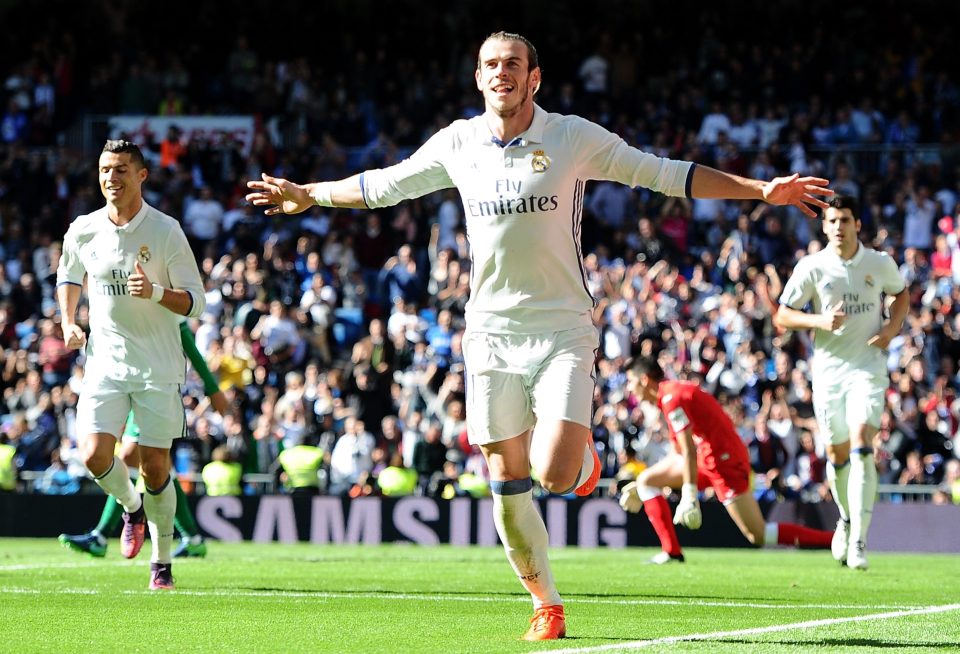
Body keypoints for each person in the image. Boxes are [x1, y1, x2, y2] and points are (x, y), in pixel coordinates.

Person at [245, 31, 832, 640]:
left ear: (534, 78)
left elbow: (662, 174)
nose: (502, 73)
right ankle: (546, 604)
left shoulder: (572, 137)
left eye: (513, 65)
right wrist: (309, 195)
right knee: (506, 482)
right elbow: (383, 185)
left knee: (554, 475)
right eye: (490, 65)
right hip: (490, 333)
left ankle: (579, 467)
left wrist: (761, 190)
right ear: (478, 78)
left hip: (562, 329)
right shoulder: (458, 142)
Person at [56, 139, 206, 591]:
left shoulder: (165, 231)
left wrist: (156, 292)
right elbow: (68, 274)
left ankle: (161, 562)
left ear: (142, 175)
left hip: (158, 367)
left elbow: (195, 302)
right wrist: (67, 321)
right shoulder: (83, 228)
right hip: (104, 362)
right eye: (105, 169)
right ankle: (131, 508)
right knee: (94, 455)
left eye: (121, 169)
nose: (111, 178)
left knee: (156, 468)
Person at [773, 195, 908, 570]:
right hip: (829, 373)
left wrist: (891, 328)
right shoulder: (813, 267)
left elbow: (901, 294)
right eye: (832, 221)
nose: (837, 227)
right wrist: (819, 322)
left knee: (864, 440)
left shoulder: (878, 263)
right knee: (836, 454)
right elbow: (783, 315)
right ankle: (846, 520)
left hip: (867, 367)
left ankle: (861, 541)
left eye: (844, 220)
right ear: (824, 226)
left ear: (857, 225)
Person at [619, 356, 834, 563]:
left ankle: (833, 540)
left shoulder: (671, 398)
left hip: (725, 463)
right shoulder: (670, 395)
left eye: (630, 381)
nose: (628, 388)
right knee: (647, 480)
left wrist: (689, 495)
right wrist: (642, 486)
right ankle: (671, 552)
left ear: (644, 379)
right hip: (708, 460)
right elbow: (679, 453)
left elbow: (687, 452)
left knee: (757, 535)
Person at [58, 318, 228, 559]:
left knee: (137, 459)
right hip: (125, 381)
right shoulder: (115, 292)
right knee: (155, 465)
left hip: (155, 384)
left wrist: (212, 388)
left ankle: (105, 534)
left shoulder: (158, 287)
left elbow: (183, 334)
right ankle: (191, 537)